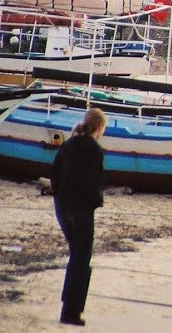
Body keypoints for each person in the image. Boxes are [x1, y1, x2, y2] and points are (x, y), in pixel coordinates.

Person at [51, 107, 107, 327]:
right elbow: (95, 182)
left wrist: (60, 198)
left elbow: (54, 174)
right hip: (81, 208)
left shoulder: (68, 144)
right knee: (81, 259)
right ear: (100, 128)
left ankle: (68, 306)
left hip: (63, 206)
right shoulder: (94, 149)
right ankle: (71, 311)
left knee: (76, 256)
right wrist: (95, 202)